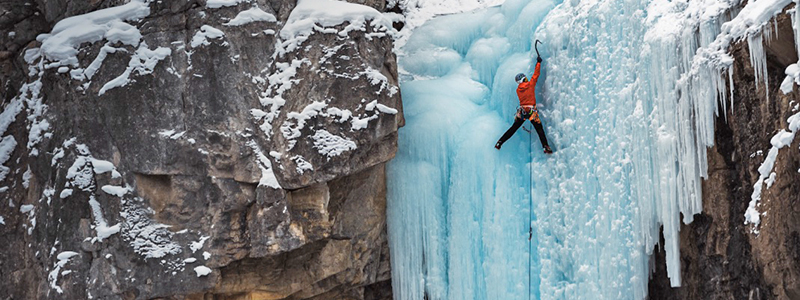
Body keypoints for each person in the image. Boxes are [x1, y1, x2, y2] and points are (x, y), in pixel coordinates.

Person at [495, 56, 552, 154]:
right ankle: (545, 146)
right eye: (525, 78)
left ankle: (500, 142)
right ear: (523, 79)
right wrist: (538, 63)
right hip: (531, 111)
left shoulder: (518, 90)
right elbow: (536, 75)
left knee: (513, 129)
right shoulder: (530, 85)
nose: (526, 79)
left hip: (522, 112)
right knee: (539, 129)